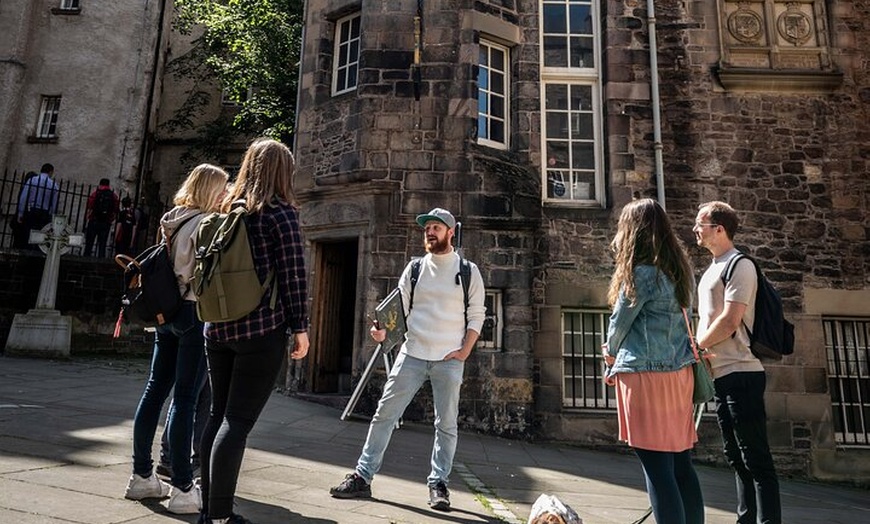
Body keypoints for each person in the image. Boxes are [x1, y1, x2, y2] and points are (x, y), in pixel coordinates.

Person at [329, 207, 486, 512]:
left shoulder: (468, 271)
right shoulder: (414, 269)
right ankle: (362, 476)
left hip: (449, 360)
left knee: (446, 425)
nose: (430, 231)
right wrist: (382, 332)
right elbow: (396, 311)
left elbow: (477, 316)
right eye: (427, 227)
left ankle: (438, 485)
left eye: (437, 227)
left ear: (450, 232)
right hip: (412, 354)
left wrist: (465, 351)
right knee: (384, 415)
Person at [198, 138, 310, 524]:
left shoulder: (227, 210)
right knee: (238, 421)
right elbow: (295, 274)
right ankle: (221, 516)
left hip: (216, 328)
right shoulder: (280, 214)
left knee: (217, 416)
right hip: (261, 329)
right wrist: (301, 328)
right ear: (283, 172)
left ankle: (209, 511)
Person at [124, 164, 229, 515]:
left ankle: (141, 476)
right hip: (192, 314)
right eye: (223, 188)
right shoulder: (207, 225)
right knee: (185, 398)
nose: (227, 194)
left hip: (164, 314)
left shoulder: (171, 218)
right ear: (212, 190)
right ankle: (183, 486)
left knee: (154, 390)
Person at [602, 198, 704, 524]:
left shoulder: (641, 274)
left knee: (657, 470)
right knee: (680, 466)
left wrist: (610, 354)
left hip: (647, 377)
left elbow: (619, 324)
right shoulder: (679, 271)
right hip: (679, 376)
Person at [693, 201, 781, 524]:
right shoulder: (708, 273)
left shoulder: (740, 265)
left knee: (756, 457)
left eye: (699, 223)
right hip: (719, 374)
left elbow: (731, 320)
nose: (694, 230)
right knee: (735, 456)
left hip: (743, 373)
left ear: (719, 228)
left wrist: (695, 348)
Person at [17, 163, 59, 245]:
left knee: (28, 232)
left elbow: (24, 197)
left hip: (31, 209)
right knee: (41, 235)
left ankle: (27, 250)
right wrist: (52, 216)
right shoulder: (54, 185)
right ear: (51, 172)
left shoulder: (32, 180)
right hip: (44, 212)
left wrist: (20, 213)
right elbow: (54, 204)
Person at [84, 178, 119, 258]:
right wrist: (111, 219)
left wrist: (87, 218)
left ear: (100, 184)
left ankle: (86, 259)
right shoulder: (113, 196)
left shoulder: (95, 193)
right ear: (108, 185)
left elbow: (90, 206)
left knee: (89, 243)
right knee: (102, 244)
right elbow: (115, 210)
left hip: (94, 220)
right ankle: (100, 261)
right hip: (106, 222)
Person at [12, 171, 38, 248]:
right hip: (25, 218)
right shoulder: (28, 191)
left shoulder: (24, 189)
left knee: (18, 240)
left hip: (21, 218)